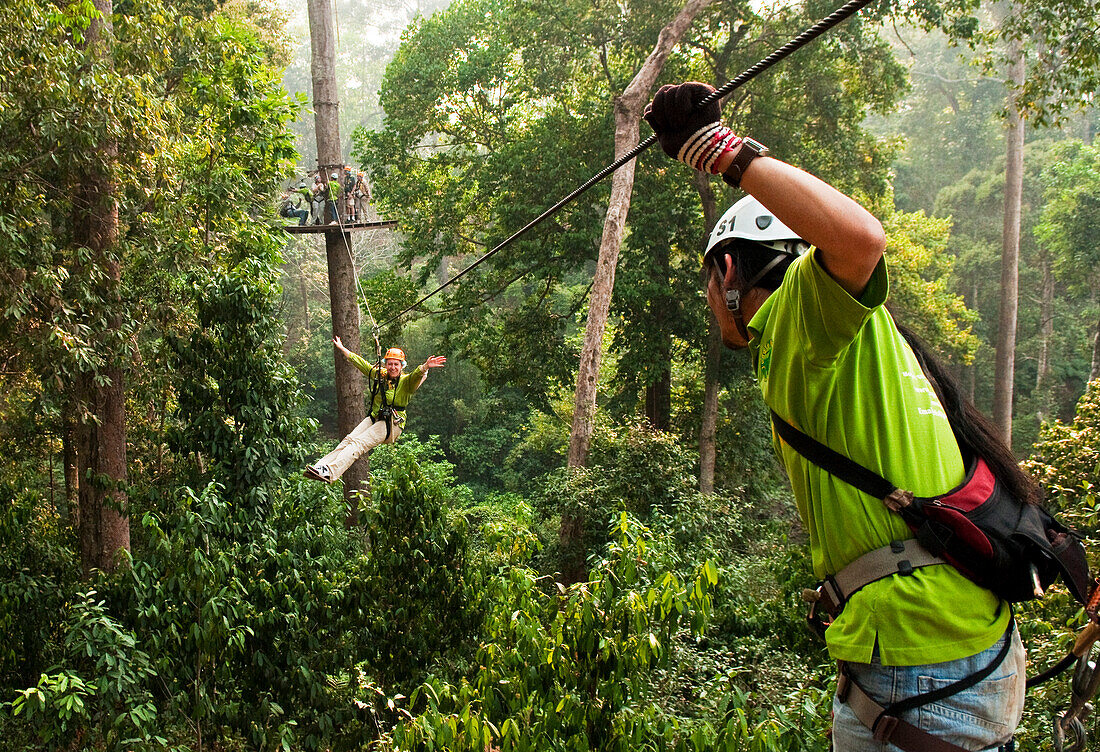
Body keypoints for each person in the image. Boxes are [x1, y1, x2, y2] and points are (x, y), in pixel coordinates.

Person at [644, 82, 1025, 752]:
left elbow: (859, 239)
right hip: (952, 654)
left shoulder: (799, 317)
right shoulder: (866, 337)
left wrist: (718, 151)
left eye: (708, 283)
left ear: (728, 271)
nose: (710, 302)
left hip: (921, 671)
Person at [304, 338, 446, 484]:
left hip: (392, 424)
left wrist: (425, 367)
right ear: (386, 365)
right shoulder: (381, 376)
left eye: (396, 364)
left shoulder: (406, 382)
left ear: (401, 366)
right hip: (375, 417)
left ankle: (331, 472)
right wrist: (342, 349)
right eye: (390, 364)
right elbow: (362, 364)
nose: (393, 367)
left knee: (358, 444)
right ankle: (320, 467)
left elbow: (416, 375)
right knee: (349, 440)